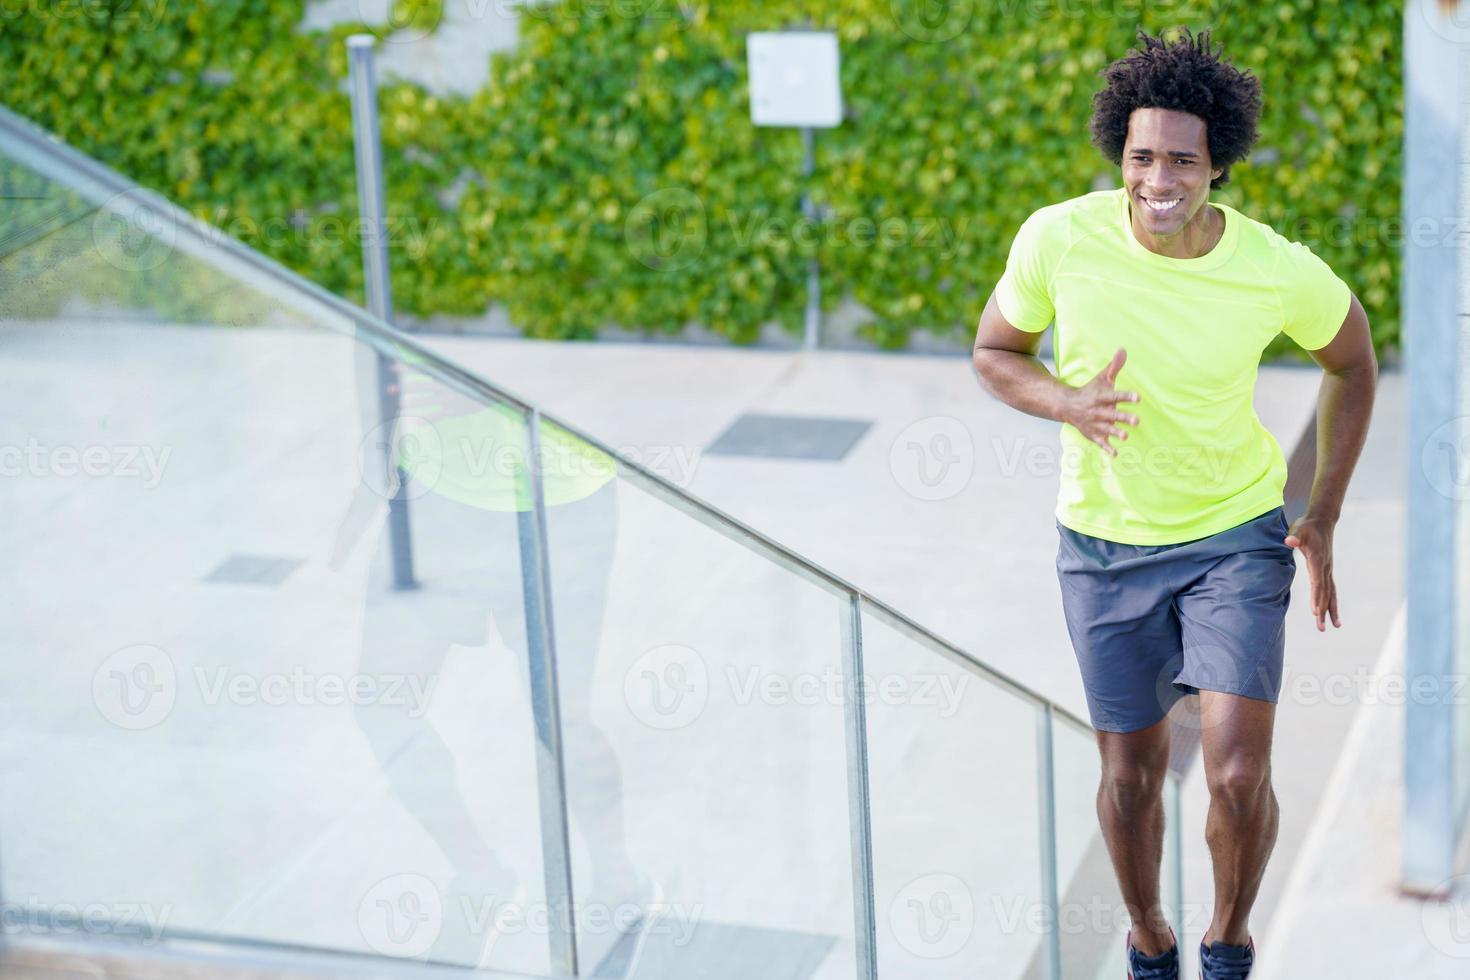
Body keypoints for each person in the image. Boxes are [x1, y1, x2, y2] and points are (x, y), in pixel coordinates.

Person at [971, 27, 1377, 980]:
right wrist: (1067, 402)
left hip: (1234, 534)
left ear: (1219, 166)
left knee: (1236, 773)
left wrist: (1320, 511)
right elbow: (996, 353)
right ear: (1120, 152)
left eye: (1182, 161)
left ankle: (1226, 943)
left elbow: (1352, 363)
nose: (1158, 178)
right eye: (1140, 156)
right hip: (1104, 544)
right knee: (1131, 773)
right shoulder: (1057, 238)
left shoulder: (1274, 267)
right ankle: (1149, 935)